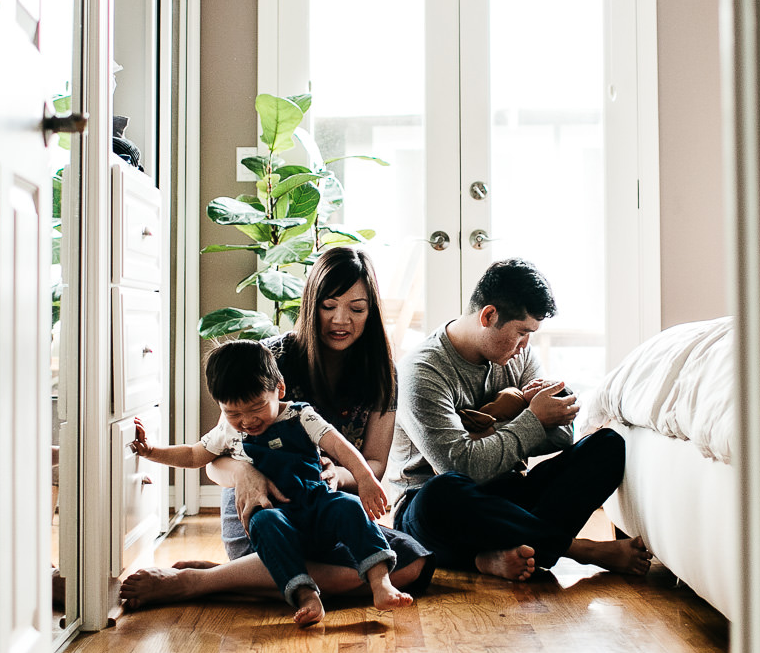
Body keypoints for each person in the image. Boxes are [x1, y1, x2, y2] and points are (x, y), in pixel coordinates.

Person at [121, 246, 431, 608]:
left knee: (415, 564)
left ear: (371, 311)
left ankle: (230, 579)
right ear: (311, 304)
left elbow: (374, 463)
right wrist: (244, 473)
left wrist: (338, 477)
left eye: (356, 309)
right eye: (328, 306)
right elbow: (213, 459)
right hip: (263, 511)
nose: (340, 320)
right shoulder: (268, 361)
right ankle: (195, 583)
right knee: (321, 559)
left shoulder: (381, 375)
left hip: (323, 509)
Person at [387, 258, 652, 581]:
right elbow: (461, 467)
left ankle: (500, 554)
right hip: (439, 508)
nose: (526, 345)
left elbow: (559, 437)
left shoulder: (519, 355)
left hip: (509, 498)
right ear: (488, 316)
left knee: (608, 445)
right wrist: (531, 418)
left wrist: (519, 414)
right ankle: (580, 550)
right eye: (522, 333)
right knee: (442, 492)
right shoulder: (422, 371)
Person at [132, 341, 412, 626]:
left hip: (316, 504)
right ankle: (306, 595)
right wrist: (151, 451)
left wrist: (364, 478)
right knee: (263, 522)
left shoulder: (301, 415)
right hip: (277, 516)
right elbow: (194, 455)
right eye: (234, 413)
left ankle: (381, 583)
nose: (247, 421)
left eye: (256, 408)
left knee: (349, 507)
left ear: (279, 389)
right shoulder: (228, 431)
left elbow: (339, 447)